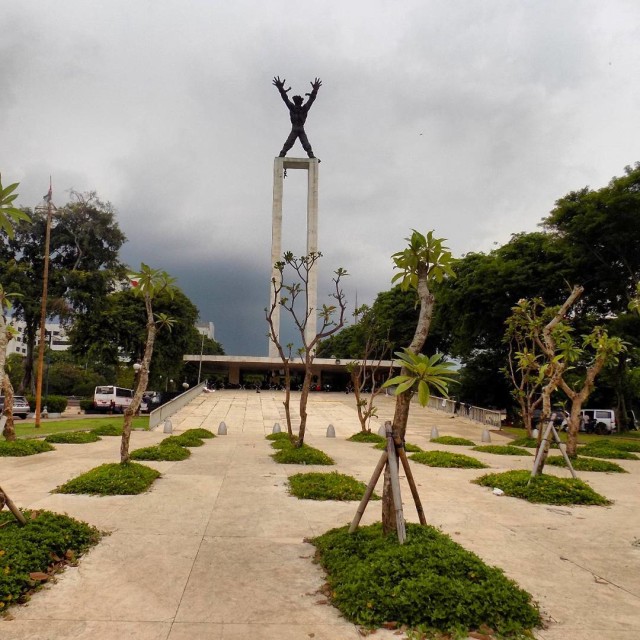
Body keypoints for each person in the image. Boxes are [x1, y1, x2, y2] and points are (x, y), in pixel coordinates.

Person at [273, 76, 321, 158]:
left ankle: (310, 155)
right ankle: (282, 154)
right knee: (290, 143)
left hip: (299, 128)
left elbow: (311, 100)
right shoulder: (294, 108)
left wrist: (315, 90)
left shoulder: (303, 109)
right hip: (296, 128)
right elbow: (285, 98)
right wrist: (280, 88)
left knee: (304, 143)